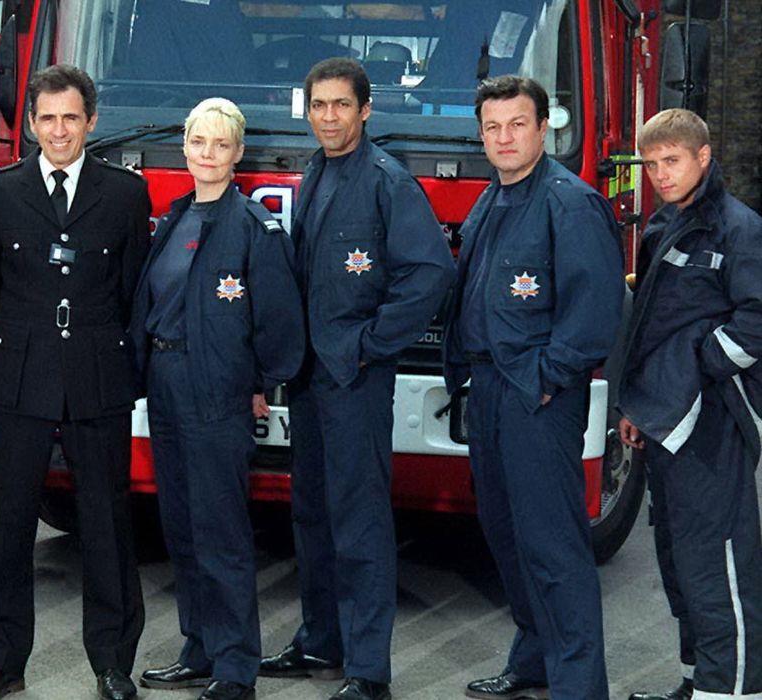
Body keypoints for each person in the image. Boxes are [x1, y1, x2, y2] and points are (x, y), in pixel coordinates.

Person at [261, 58, 452, 700]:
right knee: (311, 512)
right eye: (319, 105)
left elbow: (429, 274)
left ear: (366, 110)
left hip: (355, 378)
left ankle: (368, 670)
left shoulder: (386, 181)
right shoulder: (315, 171)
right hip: (313, 378)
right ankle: (321, 640)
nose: (330, 117)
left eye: (342, 105)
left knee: (361, 520)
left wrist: (371, 344)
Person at [0, 64, 150, 700]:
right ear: (32, 124)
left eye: (72, 117)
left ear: (91, 122)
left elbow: (131, 291)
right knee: (8, 526)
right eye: (47, 118)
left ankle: (112, 663)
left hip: (97, 378)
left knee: (107, 525)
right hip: (21, 377)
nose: (60, 130)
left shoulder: (125, 194)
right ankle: (1, 663)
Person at [442, 75, 621, 700]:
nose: (503, 137)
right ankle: (535, 659)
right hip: (491, 389)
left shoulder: (569, 203)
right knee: (506, 534)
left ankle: (578, 686)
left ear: (545, 129)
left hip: (536, 397)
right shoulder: (492, 198)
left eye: (517, 124)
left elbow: (596, 311)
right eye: (492, 127)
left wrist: (548, 380)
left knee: (553, 546)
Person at [132, 98, 305, 700]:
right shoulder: (174, 218)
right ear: (186, 148)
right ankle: (199, 646)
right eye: (198, 142)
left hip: (217, 392)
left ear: (237, 154)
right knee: (179, 526)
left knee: (221, 532)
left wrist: (258, 382)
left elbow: (281, 322)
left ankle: (235, 667)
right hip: (166, 384)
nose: (208, 153)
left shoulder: (254, 227)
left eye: (220, 144)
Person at [618, 108, 762, 700]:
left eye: (671, 161)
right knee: (679, 559)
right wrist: (640, 406)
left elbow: (756, 320)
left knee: (719, 560)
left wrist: (705, 367)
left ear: (704, 156)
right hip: (666, 421)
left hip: (714, 423)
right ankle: (696, 678)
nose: (660, 174)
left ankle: (733, 690)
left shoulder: (738, 227)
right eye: (651, 164)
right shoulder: (661, 226)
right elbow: (651, 331)